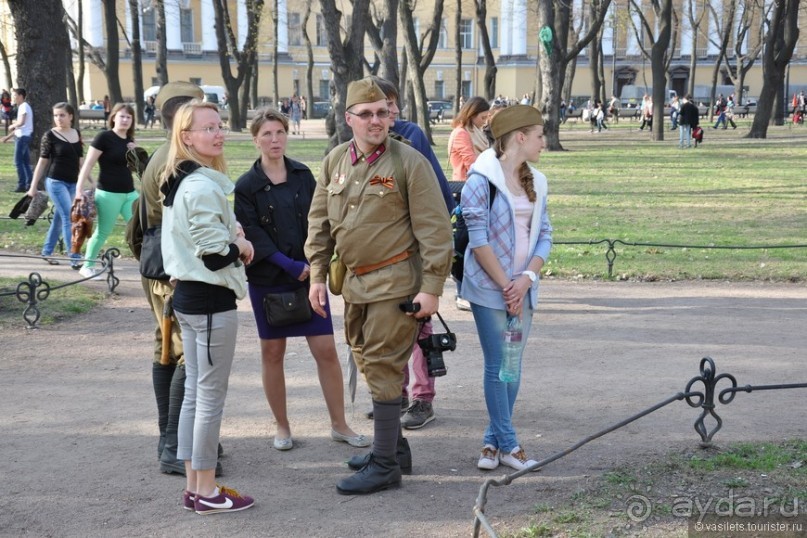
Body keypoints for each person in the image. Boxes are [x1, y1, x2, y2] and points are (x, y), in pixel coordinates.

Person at [305, 77, 452, 495]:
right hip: (353, 284)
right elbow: (319, 223)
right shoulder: (335, 160)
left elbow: (436, 229)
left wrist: (432, 286)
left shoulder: (409, 162)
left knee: (385, 364)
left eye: (382, 113)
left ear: (392, 115)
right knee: (369, 362)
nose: (375, 120)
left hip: (396, 283)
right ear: (348, 118)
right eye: (365, 114)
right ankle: (394, 448)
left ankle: (385, 464)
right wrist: (317, 273)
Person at [234, 108, 368, 451]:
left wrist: (314, 265)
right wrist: (290, 266)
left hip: (310, 276)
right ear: (255, 140)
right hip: (269, 277)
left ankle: (339, 424)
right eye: (266, 134)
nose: (274, 140)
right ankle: (282, 426)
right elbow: (252, 234)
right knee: (273, 352)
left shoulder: (302, 175)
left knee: (325, 350)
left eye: (279, 132)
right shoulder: (246, 186)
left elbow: (319, 218)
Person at [160, 100, 256, 514]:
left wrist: (230, 234)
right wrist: (242, 244)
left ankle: (197, 487)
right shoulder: (199, 185)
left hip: (193, 299)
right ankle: (205, 491)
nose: (218, 134)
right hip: (209, 301)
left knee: (197, 398)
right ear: (186, 137)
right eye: (208, 129)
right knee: (208, 399)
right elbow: (215, 256)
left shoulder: (187, 180)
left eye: (220, 126)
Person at [134, 81, 223, 477]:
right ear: (179, 117)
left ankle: (171, 436)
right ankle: (175, 444)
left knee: (168, 346)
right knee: (183, 350)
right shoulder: (174, 160)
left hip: (165, 264)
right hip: (174, 270)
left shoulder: (175, 154)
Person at [460, 105, 552, 472]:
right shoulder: (479, 180)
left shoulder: (538, 181)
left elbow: (545, 234)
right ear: (520, 137)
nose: (544, 142)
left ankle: (492, 441)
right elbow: (479, 241)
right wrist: (506, 286)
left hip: (522, 290)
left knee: (511, 366)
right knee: (498, 363)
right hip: (488, 290)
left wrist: (526, 278)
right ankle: (511, 446)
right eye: (540, 135)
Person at [369, 75, 455, 429]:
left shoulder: (411, 136)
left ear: (395, 108)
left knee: (418, 322)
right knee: (387, 327)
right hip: (380, 255)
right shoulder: (361, 144)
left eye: (386, 108)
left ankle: (423, 398)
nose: (380, 117)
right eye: (371, 110)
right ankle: (396, 394)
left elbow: (439, 196)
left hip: (412, 250)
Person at [75, 103, 140, 279]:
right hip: (108, 194)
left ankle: (148, 264)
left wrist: (137, 153)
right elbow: (88, 164)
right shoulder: (103, 137)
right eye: (122, 116)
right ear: (113, 117)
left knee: (141, 229)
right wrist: (79, 189)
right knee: (103, 231)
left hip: (130, 193)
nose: (125, 120)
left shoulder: (130, 141)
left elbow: (136, 168)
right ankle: (87, 266)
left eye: (129, 117)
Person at [26, 102, 84, 268]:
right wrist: (33, 186)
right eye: (56, 115)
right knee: (69, 217)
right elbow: (42, 163)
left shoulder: (76, 133)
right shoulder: (49, 136)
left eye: (62, 115)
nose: (58, 118)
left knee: (60, 218)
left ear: (70, 116)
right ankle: (74, 257)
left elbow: (80, 161)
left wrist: (89, 180)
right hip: (55, 182)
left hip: (73, 183)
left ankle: (47, 251)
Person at [448, 97, 491, 183]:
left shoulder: (475, 131)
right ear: (472, 115)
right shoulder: (461, 133)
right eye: (483, 118)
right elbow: (471, 164)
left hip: (477, 181)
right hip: (466, 184)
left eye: (486, 118)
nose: (485, 122)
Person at [2, 88, 34, 192]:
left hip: (23, 138)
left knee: (18, 162)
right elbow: (19, 128)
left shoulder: (24, 106)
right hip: (22, 136)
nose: (13, 98)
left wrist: (12, 125)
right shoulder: (22, 107)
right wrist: (7, 137)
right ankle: (29, 185)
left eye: (15, 95)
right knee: (25, 162)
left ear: (20, 96)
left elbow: (21, 123)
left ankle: (22, 185)